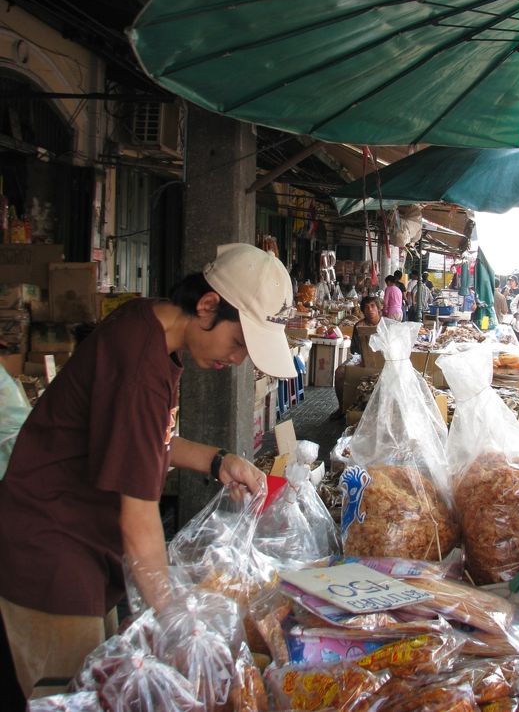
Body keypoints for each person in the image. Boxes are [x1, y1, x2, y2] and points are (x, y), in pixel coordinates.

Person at [0, 243, 297, 700]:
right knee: (70, 697)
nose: (236, 360)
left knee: (99, 685)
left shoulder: (151, 328)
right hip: (51, 550)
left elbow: (143, 438)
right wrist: (177, 620)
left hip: (85, 546)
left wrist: (218, 461)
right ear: (207, 306)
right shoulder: (141, 363)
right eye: (238, 343)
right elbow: (138, 520)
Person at [330, 296, 382, 419]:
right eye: (366, 307)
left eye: (373, 306)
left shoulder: (386, 324)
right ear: (363, 310)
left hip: (384, 361)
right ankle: (342, 408)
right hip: (362, 359)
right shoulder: (359, 325)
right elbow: (355, 350)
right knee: (339, 372)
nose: (370, 309)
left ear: (378, 308)